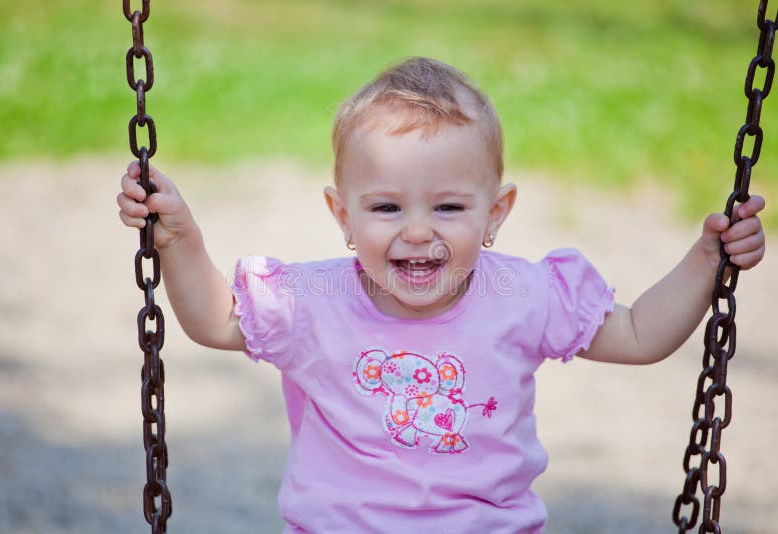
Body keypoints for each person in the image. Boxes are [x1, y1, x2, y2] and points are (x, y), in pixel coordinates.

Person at [117, 57, 766, 533]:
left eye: (450, 206)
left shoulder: (525, 294)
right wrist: (180, 239)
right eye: (387, 207)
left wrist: (706, 260)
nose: (418, 232)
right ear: (342, 215)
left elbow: (638, 335)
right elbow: (216, 319)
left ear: (496, 212)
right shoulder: (312, 304)